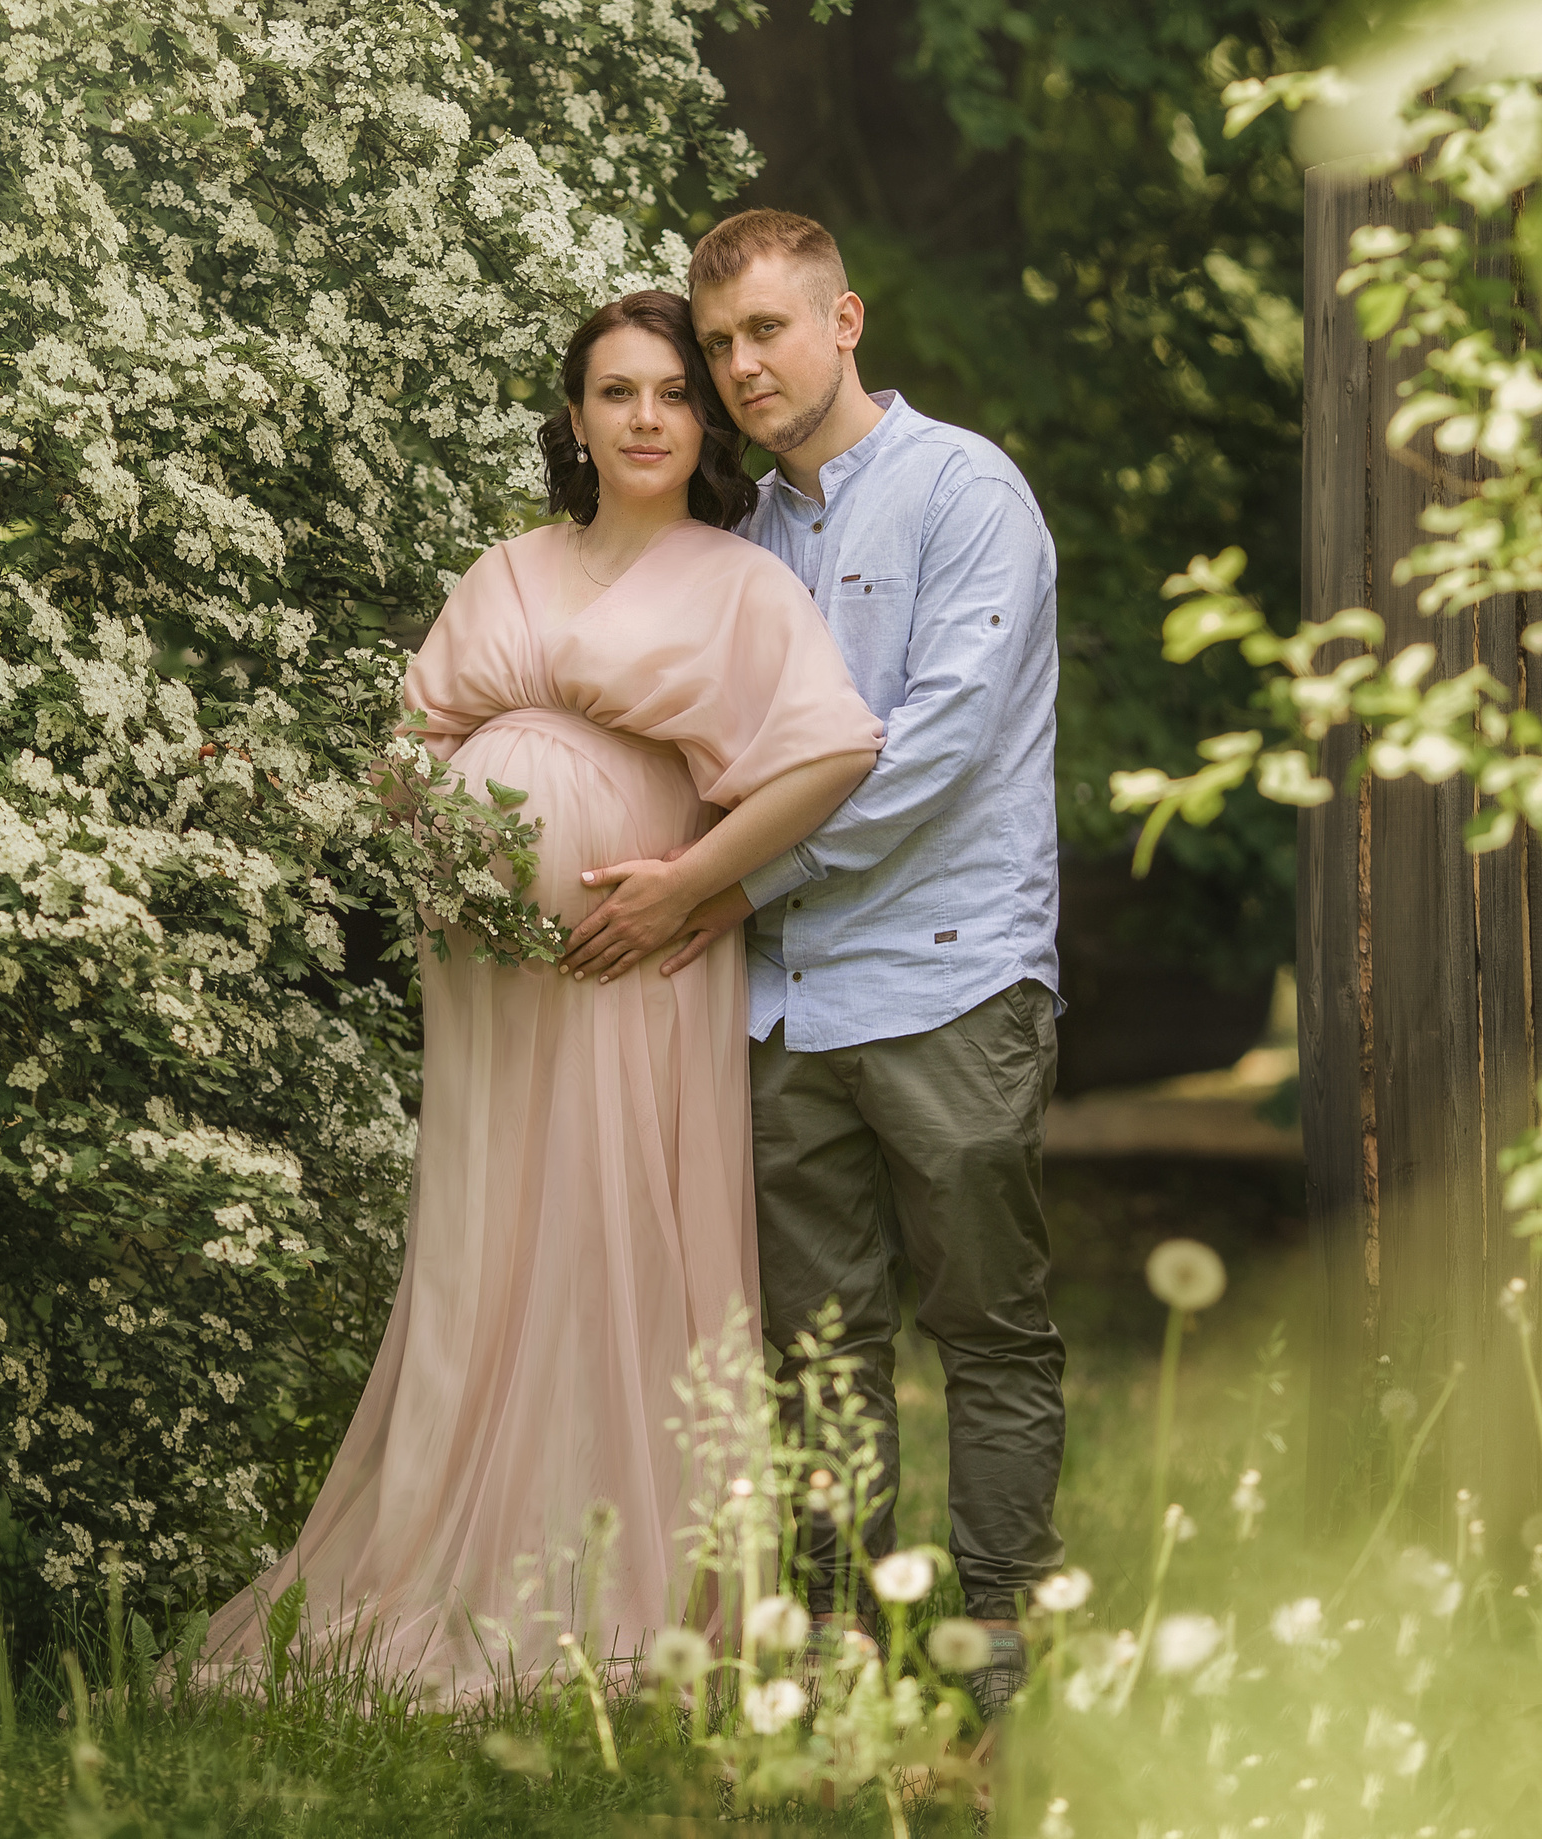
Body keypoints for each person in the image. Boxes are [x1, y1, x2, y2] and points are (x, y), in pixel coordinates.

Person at [200, 292, 883, 1693]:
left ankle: (625, 1582)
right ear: (573, 420)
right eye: (616, 393)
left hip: (636, 957)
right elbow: (412, 741)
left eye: (672, 395)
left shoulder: (744, 582)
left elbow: (832, 756)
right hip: (496, 981)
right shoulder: (507, 567)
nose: (645, 418)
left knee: (616, 1227)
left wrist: (688, 882)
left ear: (704, 426)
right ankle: (447, 1554)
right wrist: (454, 839)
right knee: (495, 1233)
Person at [630, 208, 1066, 1721]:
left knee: (988, 1329)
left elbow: (933, 752)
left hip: (951, 977)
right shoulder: (741, 543)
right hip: (784, 1001)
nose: (743, 365)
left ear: (846, 321)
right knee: (819, 1355)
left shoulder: (966, 494)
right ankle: (837, 1655)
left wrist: (737, 873)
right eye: (723, 342)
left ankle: (1000, 1648)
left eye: (769, 331)